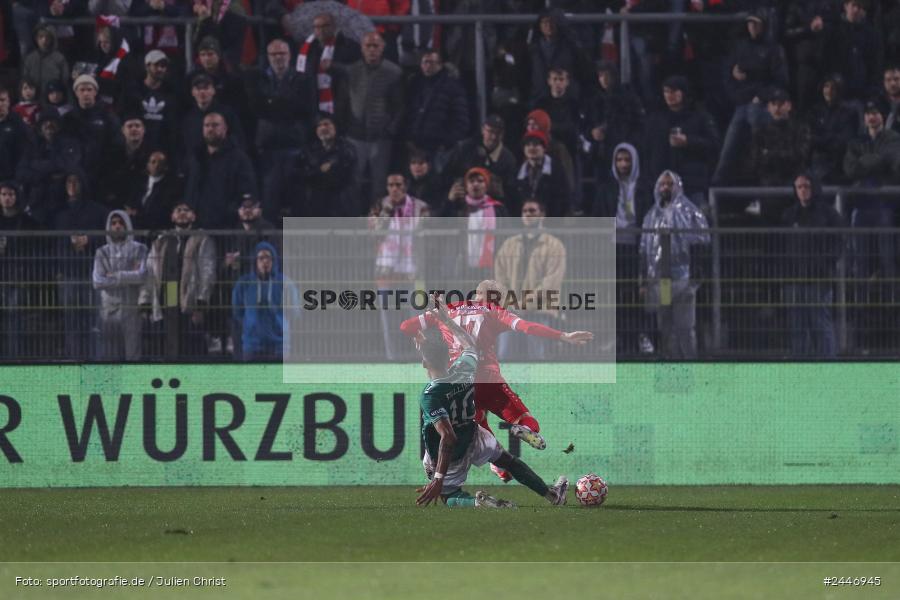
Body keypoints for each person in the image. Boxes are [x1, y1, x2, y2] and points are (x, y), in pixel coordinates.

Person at [400, 279, 593, 482]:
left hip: (459, 384)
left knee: (478, 424)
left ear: (477, 293)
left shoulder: (449, 309)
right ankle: (525, 430)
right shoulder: (494, 311)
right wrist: (563, 336)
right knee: (525, 419)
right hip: (488, 378)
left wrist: (420, 338)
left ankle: (497, 466)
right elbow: (527, 327)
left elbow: (405, 326)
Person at [413, 293, 570, 509]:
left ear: (424, 363)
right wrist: (447, 320)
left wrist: (438, 478)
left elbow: (447, 437)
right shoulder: (465, 368)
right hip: (474, 436)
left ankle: (478, 502)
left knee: (447, 495)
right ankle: (552, 495)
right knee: (508, 461)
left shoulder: (430, 395)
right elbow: (469, 344)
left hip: (449, 456)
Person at [639, 170, 710, 360]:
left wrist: (697, 276)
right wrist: (644, 281)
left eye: (670, 184)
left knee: (685, 327)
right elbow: (645, 250)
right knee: (665, 327)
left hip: (684, 277)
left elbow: (701, 244)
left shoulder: (691, 212)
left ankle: (689, 367)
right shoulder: (651, 215)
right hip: (661, 280)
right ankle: (671, 371)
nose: (665, 188)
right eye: (662, 184)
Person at [592, 143, 653, 355]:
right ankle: (615, 335)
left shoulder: (645, 187)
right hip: (612, 247)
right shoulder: (606, 188)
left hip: (637, 247)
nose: (623, 164)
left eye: (627, 160)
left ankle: (639, 334)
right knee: (613, 294)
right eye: (619, 160)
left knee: (636, 294)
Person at [336, 31, 404, 210]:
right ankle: (355, 222)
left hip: (380, 137)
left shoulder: (393, 72)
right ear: (362, 48)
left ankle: (377, 224)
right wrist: (342, 129)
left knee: (379, 184)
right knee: (353, 183)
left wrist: (390, 130)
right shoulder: (351, 71)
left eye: (376, 46)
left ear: (383, 48)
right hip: (354, 135)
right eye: (368, 46)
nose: (372, 49)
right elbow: (343, 102)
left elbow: (400, 106)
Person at [140, 201, 216, 358]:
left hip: (190, 296)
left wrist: (201, 302)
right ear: (172, 216)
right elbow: (150, 272)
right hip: (169, 293)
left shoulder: (201, 239)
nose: (182, 212)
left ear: (193, 216)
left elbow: (207, 271)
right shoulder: (161, 240)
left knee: (191, 345)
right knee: (168, 341)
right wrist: (145, 300)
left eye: (186, 210)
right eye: (178, 210)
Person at [493, 199, 565, 360]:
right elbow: (500, 276)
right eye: (525, 211)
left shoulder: (554, 245)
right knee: (504, 356)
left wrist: (523, 303)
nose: (527, 214)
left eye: (532, 210)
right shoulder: (510, 244)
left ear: (542, 215)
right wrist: (512, 302)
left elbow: (551, 282)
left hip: (539, 310)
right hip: (511, 309)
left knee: (537, 357)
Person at [369, 173, 431, 361]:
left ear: (406, 186)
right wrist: (387, 212)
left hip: (414, 272)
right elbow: (374, 234)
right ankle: (392, 358)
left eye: (398, 184)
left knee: (418, 318)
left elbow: (426, 236)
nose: (394, 188)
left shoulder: (420, 207)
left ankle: (423, 358)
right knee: (388, 319)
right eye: (391, 185)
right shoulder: (379, 206)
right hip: (385, 272)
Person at [781, 173, 843, 358]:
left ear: (814, 187)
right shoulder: (789, 215)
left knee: (820, 325)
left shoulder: (828, 214)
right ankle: (802, 368)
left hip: (819, 277)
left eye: (806, 186)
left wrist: (826, 263)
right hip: (795, 279)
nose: (803, 191)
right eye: (799, 187)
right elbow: (780, 246)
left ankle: (827, 367)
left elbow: (839, 241)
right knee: (798, 326)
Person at [843, 100, 900, 282]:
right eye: (868, 113)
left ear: (882, 116)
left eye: (875, 113)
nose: (871, 117)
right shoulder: (856, 141)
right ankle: (860, 307)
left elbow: (892, 161)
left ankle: (892, 306)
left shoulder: (893, 138)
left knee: (888, 258)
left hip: (885, 205)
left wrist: (864, 162)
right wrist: (877, 161)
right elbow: (850, 169)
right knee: (861, 260)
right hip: (862, 205)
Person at [644, 76, 720, 209]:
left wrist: (688, 141)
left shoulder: (699, 117)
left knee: (693, 226)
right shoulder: (656, 120)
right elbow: (647, 150)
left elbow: (713, 144)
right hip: (662, 186)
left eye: (674, 91)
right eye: (666, 91)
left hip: (691, 185)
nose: (670, 95)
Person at [184, 111, 257, 229]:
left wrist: (231, 211)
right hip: (197, 226)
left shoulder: (239, 158)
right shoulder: (196, 157)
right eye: (206, 125)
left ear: (225, 128)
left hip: (227, 227)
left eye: (215, 125)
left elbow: (247, 191)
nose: (210, 129)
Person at [92, 210, 148, 361]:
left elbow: (142, 275)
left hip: (132, 309)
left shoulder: (140, 248)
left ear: (128, 225)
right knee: (110, 355)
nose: (117, 226)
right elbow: (98, 281)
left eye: (121, 223)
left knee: (133, 354)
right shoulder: (101, 252)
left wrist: (116, 275)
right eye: (114, 223)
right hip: (108, 311)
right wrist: (130, 275)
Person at [232, 242, 300, 361]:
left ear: (274, 260)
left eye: (268, 257)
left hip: (279, 345)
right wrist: (251, 324)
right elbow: (237, 311)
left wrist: (279, 324)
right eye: (261, 258)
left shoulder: (285, 283)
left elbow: (294, 312)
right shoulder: (244, 283)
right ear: (255, 261)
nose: (265, 261)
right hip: (252, 344)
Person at [404, 49, 469, 164]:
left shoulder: (452, 86)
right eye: (425, 62)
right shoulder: (415, 84)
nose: (428, 66)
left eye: (432, 62)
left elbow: (461, 119)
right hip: (415, 147)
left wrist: (446, 143)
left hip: (439, 149)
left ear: (440, 65)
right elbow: (409, 113)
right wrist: (409, 138)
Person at [0, 182, 39, 359]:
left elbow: (33, 247)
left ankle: (15, 356)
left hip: (17, 276)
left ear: (16, 197)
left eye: (10, 195)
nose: (7, 198)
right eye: (4, 194)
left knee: (15, 317)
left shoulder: (25, 221)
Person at [443, 114, 517, 203]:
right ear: (483, 130)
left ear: (503, 134)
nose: (493, 137)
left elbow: (511, 193)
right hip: (463, 202)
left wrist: (501, 194)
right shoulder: (464, 148)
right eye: (490, 131)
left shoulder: (508, 159)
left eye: (498, 133)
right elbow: (446, 175)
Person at [295, 113, 358, 218]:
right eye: (319, 125)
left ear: (335, 128)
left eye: (327, 124)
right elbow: (302, 175)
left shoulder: (347, 149)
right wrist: (320, 171)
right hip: (316, 201)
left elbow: (342, 176)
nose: (323, 128)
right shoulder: (308, 150)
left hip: (340, 202)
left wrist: (317, 172)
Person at [125, 49, 180, 157]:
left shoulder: (171, 92)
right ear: (147, 66)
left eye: (163, 66)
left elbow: (173, 125)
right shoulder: (133, 91)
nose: (160, 69)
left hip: (162, 151)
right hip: (138, 150)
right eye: (156, 65)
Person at [513, 129, 571, 217]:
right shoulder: (519, 171)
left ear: (544, 148)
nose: (531, 148)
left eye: (536, 144)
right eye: (528, 145)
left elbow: (564, 197)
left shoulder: (556, 169)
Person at [22, 24, 69, 99]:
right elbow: (25, 81)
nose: (44, 40)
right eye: (41, 37)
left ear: (52, 39)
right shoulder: (30, 59)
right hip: (34, 99)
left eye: (47, 37)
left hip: (54, 99)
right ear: (36, 39)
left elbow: (64, 81)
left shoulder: (59, 58)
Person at [0, 85, 33, 183]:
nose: (0, 104)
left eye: (2, 100)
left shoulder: (17, 123)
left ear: (8, 102)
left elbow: (25, 150)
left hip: (10, 179)